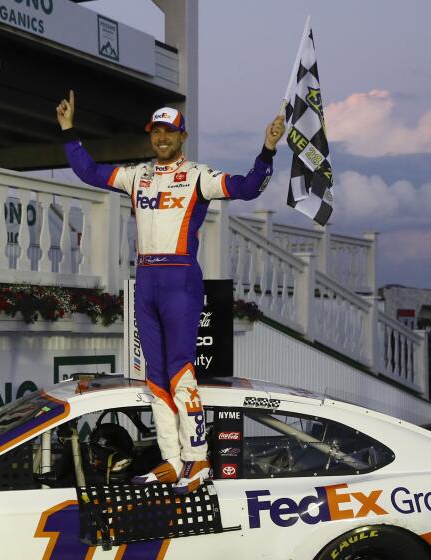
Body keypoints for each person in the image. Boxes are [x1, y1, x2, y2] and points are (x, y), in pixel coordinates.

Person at [56, 90, 285, 494]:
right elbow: (90, 172)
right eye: (156, 131)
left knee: (181, 372)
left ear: (183, 136)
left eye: (169, 132)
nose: (162, 138)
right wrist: (69, 132)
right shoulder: (136, 175)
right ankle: (171, 460)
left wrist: (267, 150)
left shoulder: (199, 175)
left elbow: (249, 188)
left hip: (180, 279)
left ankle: (198, 461)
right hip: (145, 279)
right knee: (155, 378)